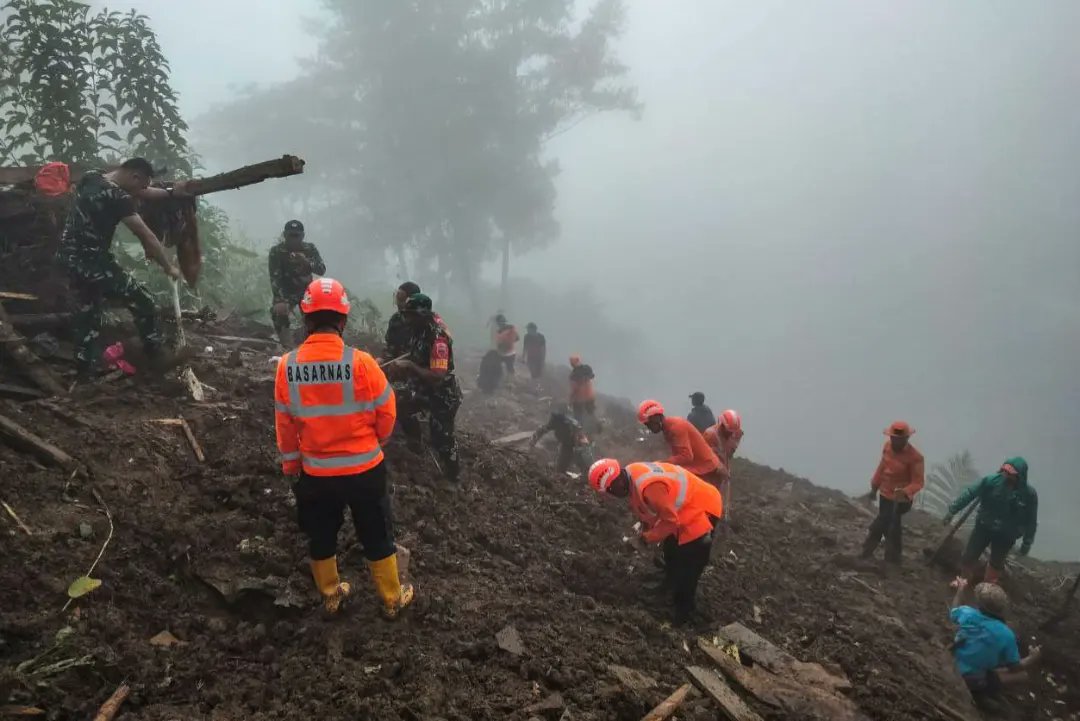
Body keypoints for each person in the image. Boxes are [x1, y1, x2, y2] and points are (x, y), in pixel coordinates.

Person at [273, 278, 413, 618]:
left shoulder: (287, 366)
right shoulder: (362, 363)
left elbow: (286, 425)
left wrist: (292, 469)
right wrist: (374, 441)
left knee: (321, 534)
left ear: (305, 319)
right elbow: (388, 411)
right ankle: (392, 600)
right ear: (344, 320)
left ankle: (331, 596)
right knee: (376, 532)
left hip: (317, 474)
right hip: (364, 470)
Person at [57, 157, 190, 380]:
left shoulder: (92, 176)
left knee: (88, 313)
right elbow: (145, 234)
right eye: (143, 184)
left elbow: (142, 193)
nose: (144, 190)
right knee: (144, 300)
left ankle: (83, 373)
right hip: (93, 262)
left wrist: (170, 193)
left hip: (68, 257)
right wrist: (168, 267)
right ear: (134, 176)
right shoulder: (117, 197)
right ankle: (156, 355)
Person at [588, 459, 722, 623]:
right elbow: (650, 511)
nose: (612, 494)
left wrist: (645, 539)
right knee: (672, 551)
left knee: (689, 564)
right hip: (685, 507)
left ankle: (684, 613)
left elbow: (671, 521)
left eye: (611, 490)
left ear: (617, 481)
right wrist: (646, 530)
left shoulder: (650, 488)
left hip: (702, 507)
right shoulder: (631, 474)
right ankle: (667, 587)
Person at [385, 293, 462, 482]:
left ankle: (452, 477)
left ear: (422, 315)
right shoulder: (418, 330)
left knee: (442, 438)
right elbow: (414, 354)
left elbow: (437, 376)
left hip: (443, 394)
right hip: (421, 388)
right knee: (398, 405)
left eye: (411, 315)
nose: (407, 318)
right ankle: (415, 445)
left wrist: (410, 367)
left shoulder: (438, 339)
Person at [945, 458, 1038, 584]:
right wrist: (952, 510)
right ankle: (962, 581)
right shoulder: (991, 481)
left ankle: (987, 588)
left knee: (996, 562)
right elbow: (970, 493)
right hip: (984, 525)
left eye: (1011, 474)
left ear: (1020, 476)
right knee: (970, 555)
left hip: (1007, 534)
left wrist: (1027, 542)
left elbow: (1031, 520)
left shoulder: (1029, 495)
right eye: (1006, 471)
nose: (1007, 475)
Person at [949, 577, 1041, 703]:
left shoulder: (967, 613)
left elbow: (954, 609)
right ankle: (980, 692)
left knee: (992, 666)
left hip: (952, 664)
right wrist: (1032, 658)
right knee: (1022, 675)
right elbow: (1015, 668)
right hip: (969, 679)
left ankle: (981, 687)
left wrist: (960, 590)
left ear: (980, 604)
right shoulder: (1006, 634)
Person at [859, 421, 925, 564]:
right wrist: (874, 487)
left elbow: (918, 482)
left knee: (884, 520)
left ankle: (867, 551)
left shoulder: (915, 457)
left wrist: (905, 491)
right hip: (885, 495)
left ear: (906, 439)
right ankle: (892, 559)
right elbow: (882, 468)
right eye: (893, 438)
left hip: (902, 500)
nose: (895, 442)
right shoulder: (887, 448)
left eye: (899, 439)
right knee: (891, 524)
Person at [268, 220, 326, 347]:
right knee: (278, 311)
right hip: (287, 292)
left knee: (319, 315)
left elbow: (321, 269)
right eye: (291, 235)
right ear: (285, 235)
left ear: (302, 236)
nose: (294, 239)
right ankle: (286, 345)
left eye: (297, 236)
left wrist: (307, 262)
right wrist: (279, 300)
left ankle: (314, 343)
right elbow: (275, 278)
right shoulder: (277, 251)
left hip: (307, 291)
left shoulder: (309, 249)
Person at [638, 400, 720, 479]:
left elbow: (686, 456)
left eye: (648, 423)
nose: (648, 427)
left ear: (656, 418)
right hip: (701, 467)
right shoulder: (668, 428)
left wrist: (661, 464)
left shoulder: (676, 427)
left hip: (706, 469)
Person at [703, 409, 744, 521]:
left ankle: (721, 513)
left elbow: (729, 453)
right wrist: (721, 469)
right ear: (721, 424)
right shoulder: (710, 435)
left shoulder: (735, 433)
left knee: (722, 492)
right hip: (709, 471)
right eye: (728, 431)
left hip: (722, 466)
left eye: (732, 432)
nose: (730, 434)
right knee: (710, 492)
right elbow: (709, 458)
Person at [530, 410, 595, 474]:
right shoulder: (557, 421)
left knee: (583, 464)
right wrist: (533, 442)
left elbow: (580, 437)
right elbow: (543, 429)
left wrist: (579, 448)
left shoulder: (570, 424)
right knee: (561, 467)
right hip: (567, 444)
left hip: (577, 446)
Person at [382, 281, 421, 361]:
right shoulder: (396, 319)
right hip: (396, 365)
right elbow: (390, 346)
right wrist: (382, 359)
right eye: (397, 298)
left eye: (401, 299)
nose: (398, 303)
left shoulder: (424, 322)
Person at [569, 355, 597, 425]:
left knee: (578, 417)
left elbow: (574, 389)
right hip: (590, 396)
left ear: (572, 364)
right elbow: (592, 376)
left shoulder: (573, 375)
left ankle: (580, 430)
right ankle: (593, 428)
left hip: (579, 399)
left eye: (571, 363)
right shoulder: (587, 368)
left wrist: (571, 399)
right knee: (590, 413)